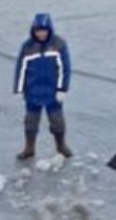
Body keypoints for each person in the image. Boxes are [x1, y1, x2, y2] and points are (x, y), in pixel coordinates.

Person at [13, 13, 73, 160]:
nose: (41, 33)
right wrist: (19, 89)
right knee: (31, 122)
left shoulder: (58, 45)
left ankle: (61, 145)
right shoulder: (27, 47)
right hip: (33, 93)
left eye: (44, 30)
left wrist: (62, 89)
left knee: (57, 121)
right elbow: (21, 69)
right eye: (38, 30)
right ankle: (29, 148)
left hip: (53, 93)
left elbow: (65, 68)